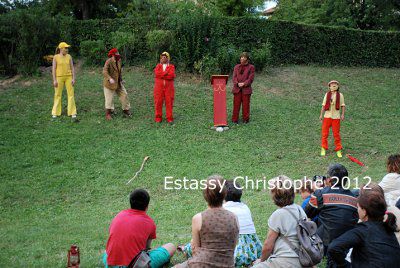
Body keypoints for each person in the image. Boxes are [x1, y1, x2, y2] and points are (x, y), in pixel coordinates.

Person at [180, 180, 262, 267]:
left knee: (194, 246)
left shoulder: (224, 211)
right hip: (252, 250)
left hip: (232, 254)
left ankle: (185, 248)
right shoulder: (245, 207)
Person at [328, 183, 400, 267]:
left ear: (364, 211)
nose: (357, 210)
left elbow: (334, 247)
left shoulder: (362, 230)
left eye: (358, 207)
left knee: (332, 262)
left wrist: (345, 265)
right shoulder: (388, 226)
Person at [175, 175, 239, 268]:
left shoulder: (198, 218)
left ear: (205, 195)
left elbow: (196, 250)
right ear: (225, 194)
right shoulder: (234, 217)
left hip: (201, 264)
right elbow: (233, 245)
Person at [104, 189, 176, 268]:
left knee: (106, 251)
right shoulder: (149, 222)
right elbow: (146, 249)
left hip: (109, 263)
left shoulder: (119, 215)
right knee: (171, 246)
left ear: (130, 202)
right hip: (135, 265)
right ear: (147, 206)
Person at [305, 163, 358, 268]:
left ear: (328, 180)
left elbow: (306, 213)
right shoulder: (354, 198)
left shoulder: (320, 194)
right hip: (348, 243)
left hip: (326, 243)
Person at [253, 175, 306, 268]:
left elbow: (268, 245)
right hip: (303, 259)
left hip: (285, 260)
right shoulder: (299, 209)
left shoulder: (278, 214)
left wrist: (260, 261)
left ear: (275, 195)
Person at [51, 42, 78, 122]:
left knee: (71, 94)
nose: (67, 49)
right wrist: (54, 80)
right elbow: (53, 69)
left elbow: (72, 67)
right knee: (57, 95)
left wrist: (73, 78)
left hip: (69, 77)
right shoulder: (55, 57)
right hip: (59, 78)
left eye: (67, 48)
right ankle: (55, 112)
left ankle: (72, 112)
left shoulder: (69, 56)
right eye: (65, 48)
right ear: (61, 49)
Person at [103, 48, 132, 120]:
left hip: (118, 83)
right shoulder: (108, 61)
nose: (118, 54)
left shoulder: (119, 60)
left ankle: (126, 110)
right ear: (113, 55)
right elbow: (104, 71)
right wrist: (109, 78)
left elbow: (119, 72)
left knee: (124, 95)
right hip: (109, 84)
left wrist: (121, 80)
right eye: (117, 53)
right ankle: (108, 114)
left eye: (118, 53)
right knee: (109, 99)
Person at [319, 80, 345, 157]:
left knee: (336, 134)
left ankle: (338, 149)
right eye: (332, 85)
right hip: (327, 116)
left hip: (336, 117)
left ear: (337, 86)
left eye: (335, 85)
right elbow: (323, 105)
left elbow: (343, 105)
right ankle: (323, 148)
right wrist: (321, 115)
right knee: (324, 133)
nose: (333, 86)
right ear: (329, 86)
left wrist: (342, 114)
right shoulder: (327, 95)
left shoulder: (340, 95)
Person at [231, 52, 255, 124]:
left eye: (244, 57)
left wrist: (244, 84)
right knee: (236, 105)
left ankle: (245, 120)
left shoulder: (251, 67)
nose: (242, 58)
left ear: (247, 59)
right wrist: (237, 83)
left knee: (246, 105)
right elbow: (234, 77)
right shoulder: (236, 67)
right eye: (241, 57)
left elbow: (251, 78)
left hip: (246, 89)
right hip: (237, 89)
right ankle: (234, 120)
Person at [153, 52, 176, 124]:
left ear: (168, 58)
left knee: (169, 102)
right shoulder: (158, 66)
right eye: (162, 57)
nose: (164, 58)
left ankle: (169, 118)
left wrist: (162, 75)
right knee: (158, 102)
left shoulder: (171, 66)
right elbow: (157, 74)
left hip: (169, 88)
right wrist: (166, 74)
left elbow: (171, 76)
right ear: (161, 58)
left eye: (165, 57)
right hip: (158, 88)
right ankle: (158, 118)